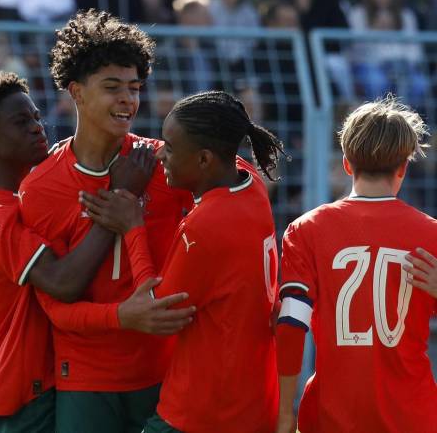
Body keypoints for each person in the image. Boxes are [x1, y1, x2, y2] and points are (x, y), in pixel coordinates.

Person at [0, 71, 192, 432]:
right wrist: (120, 199)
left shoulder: (38, 189)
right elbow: (62, 282)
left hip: (61, 377)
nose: (37, 127)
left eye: (36, 117)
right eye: (20, 122)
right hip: (23, 390)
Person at [18, 10, 194, 433]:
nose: (127, 99)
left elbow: (239, 182)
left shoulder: (164, 162)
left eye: (134, 88)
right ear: (76, 92)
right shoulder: (41, 187)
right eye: (112, 87)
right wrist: (121, 316)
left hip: (164, 371)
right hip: (85, 380)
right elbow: (54, 309)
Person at [81, 90, 285, 432]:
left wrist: (132, 227)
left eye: (172, 148)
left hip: (201, 411)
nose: (160, 153)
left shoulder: (206, 224)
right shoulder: (250, 183)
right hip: (253, 403)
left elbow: (157, 311)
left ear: (204, 160)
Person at [275, 97, 437, 433]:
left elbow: (291, 325)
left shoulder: (306, 230)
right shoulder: (431, 234)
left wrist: (285, 411)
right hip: (412, 415)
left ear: (346, 164)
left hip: (331, 414)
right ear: (403, 168)